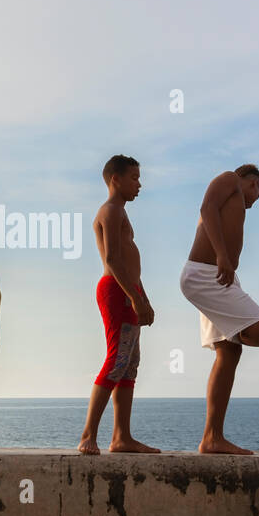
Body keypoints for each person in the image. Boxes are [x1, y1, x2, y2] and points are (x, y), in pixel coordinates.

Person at [178, 164, 259, 455]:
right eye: (257, 191)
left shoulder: (237, 193)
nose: (255, 200)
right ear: (252, 182)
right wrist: (222, 254)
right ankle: (212, 437)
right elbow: (207, 207)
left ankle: (212, 437)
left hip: (219, 277)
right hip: (206, 274)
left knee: (230, 352)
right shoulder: (229, 179)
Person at [78, 155, 159, 455]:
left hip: (128, 290)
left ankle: (122, 437)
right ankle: (88, 435)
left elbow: (129, 262)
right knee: (117, 359)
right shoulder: (110, 211)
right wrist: (135, 297)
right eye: (135, 178)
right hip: (116, 290)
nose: (139, 184)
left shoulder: (121, 212)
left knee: (129, 364)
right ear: (116, 179)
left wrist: (143, 296)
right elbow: (112, 259)